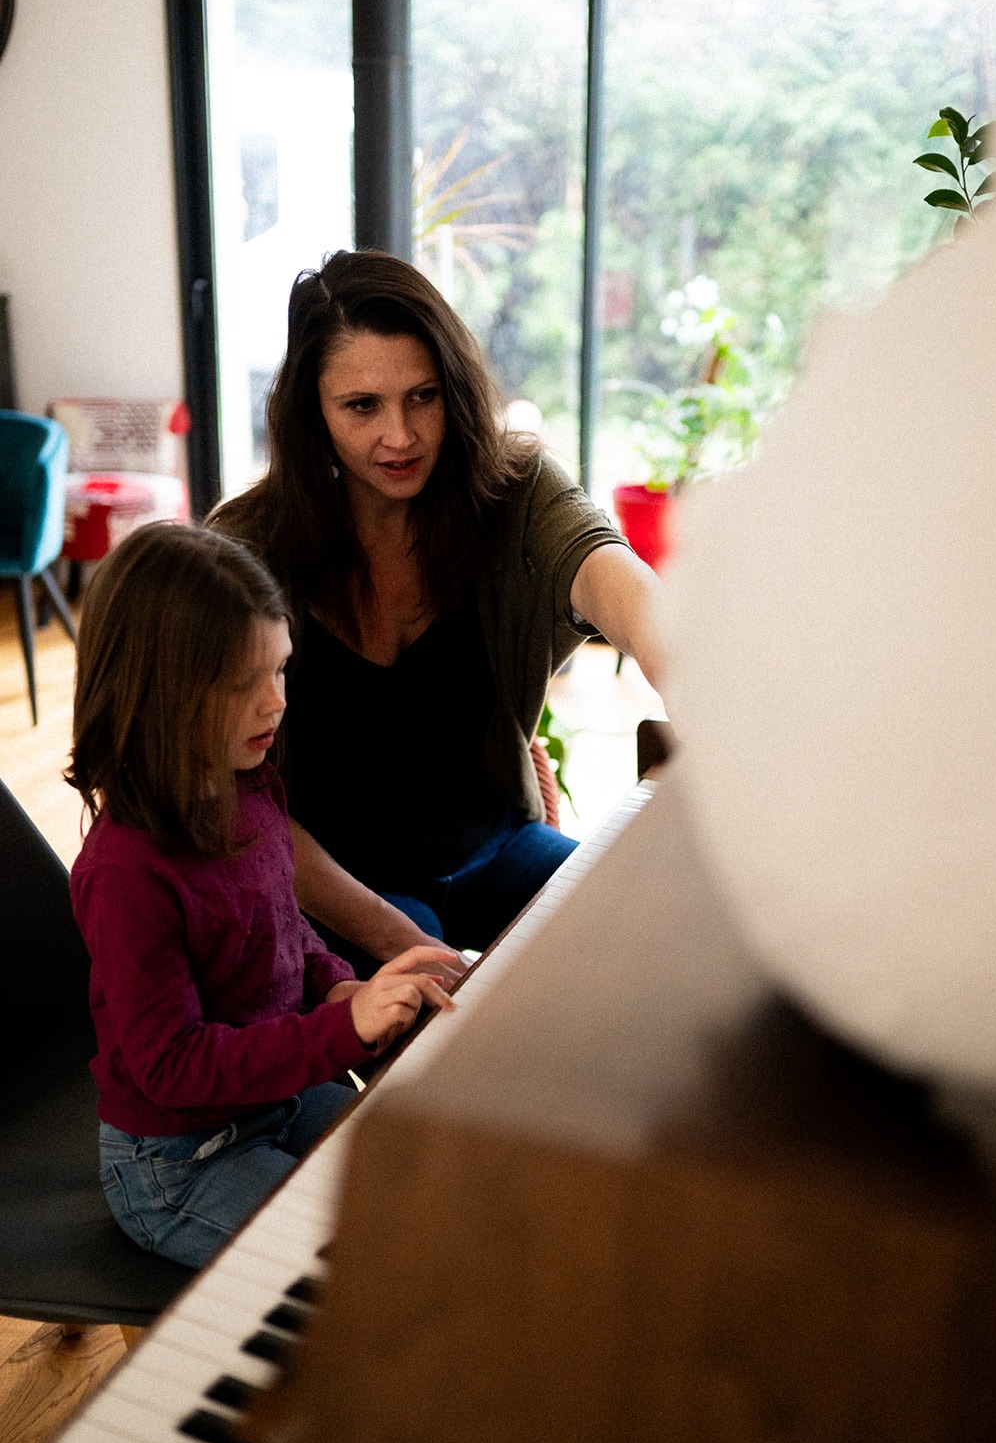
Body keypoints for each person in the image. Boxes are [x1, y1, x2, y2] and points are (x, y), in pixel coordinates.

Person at [209, 248, 662, 964]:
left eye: (423, 395)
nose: (402, 435)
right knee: (441, 1038)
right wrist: (416, 947)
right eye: (362, 406)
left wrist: (708, 690)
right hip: (335, 883)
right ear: (312, 413)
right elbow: (234, 798)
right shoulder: (242, 548)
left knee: (635, 936)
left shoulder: (513, 489)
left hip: (497, 847)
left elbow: (617, 584)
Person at [65, 521, 463, 1269]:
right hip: (178, 1161)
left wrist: (339, 989)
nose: (273, 702)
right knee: (367, 1265)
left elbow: (284, 932)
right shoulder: (124, 874)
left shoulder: (252, 791)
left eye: (279, 671)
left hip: (277, 1098)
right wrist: (339, 1036)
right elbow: (172, 1067)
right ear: (159, 690)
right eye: (241, 683)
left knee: (421, 1178)